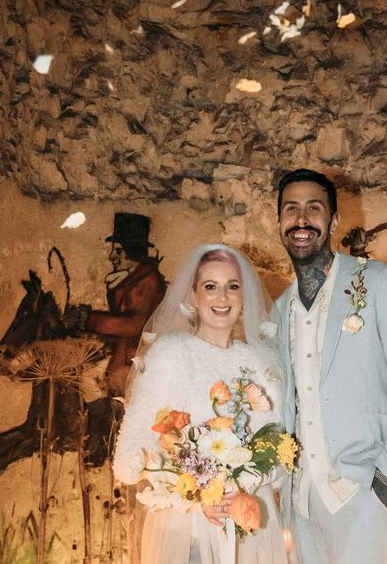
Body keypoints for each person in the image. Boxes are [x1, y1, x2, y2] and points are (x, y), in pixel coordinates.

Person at [271, 168, 387, 564]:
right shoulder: (279, 311)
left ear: (334, 221)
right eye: (291, 209)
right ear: (278, 222)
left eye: (314, 208)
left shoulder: (380, 282)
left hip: (363, 490)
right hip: (302, 502)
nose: (301, 219)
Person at [112, 244, 288, 564]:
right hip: (186, 534)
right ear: (193, 296)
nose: (222, 297)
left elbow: (277, 462)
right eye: (210, 287)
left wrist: (241, 485)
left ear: (244, 296)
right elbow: (128, 459)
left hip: (249, 535)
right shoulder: (171, 354)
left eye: (232, 287)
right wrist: (195, 494)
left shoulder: (261, 365)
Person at [69, 213, 167, 394]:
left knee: (89, 384)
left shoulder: (147, 281)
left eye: (118, 251)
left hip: (137, 359)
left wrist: (88, 319)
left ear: (132, 252)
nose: (111, 256)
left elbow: (133, 325)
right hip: (126, 351)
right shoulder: (130, 279)